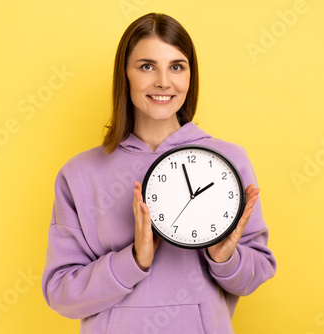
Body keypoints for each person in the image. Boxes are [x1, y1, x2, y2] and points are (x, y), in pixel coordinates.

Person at [42, 12, 276, 333]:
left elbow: (257, 271)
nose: (163, 81)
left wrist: (225, 259)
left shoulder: (229, 161)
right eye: (147, 66)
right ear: (125, 74)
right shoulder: (80, 174)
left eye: (176, 66)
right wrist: (134, 260)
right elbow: (61, 294)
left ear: (190, 76)